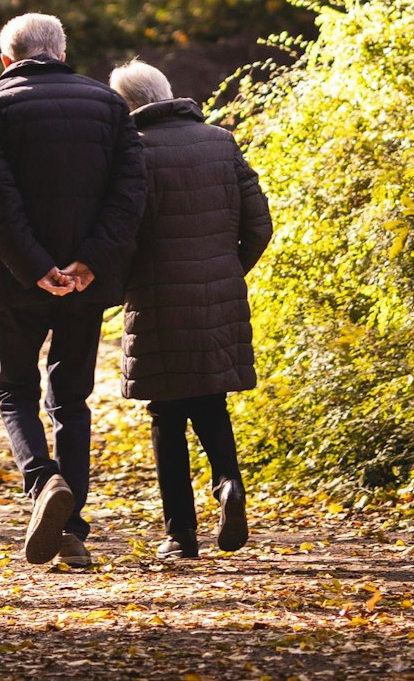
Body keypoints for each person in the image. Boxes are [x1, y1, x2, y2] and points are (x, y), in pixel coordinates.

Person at [0, 13, 147, 568]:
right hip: (86, 283)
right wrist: (89, 262)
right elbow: (130, 192)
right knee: (70, 398)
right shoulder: (110, 106)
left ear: (6, 60)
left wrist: (36, 266)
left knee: (13, 389)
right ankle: (73, 529)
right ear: (63, 53)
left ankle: (44, 484)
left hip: (17, 277)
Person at [107, 58, 272, 561]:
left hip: (156, 299)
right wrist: (226, 270)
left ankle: (181, 535)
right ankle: (227, 483)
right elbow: (260, 224)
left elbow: (121, 233)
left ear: (126, 104)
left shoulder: (131, 152)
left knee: (166, 414)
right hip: (218, 292)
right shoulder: (221, 142)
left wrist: (121, 286)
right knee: (211, 399)